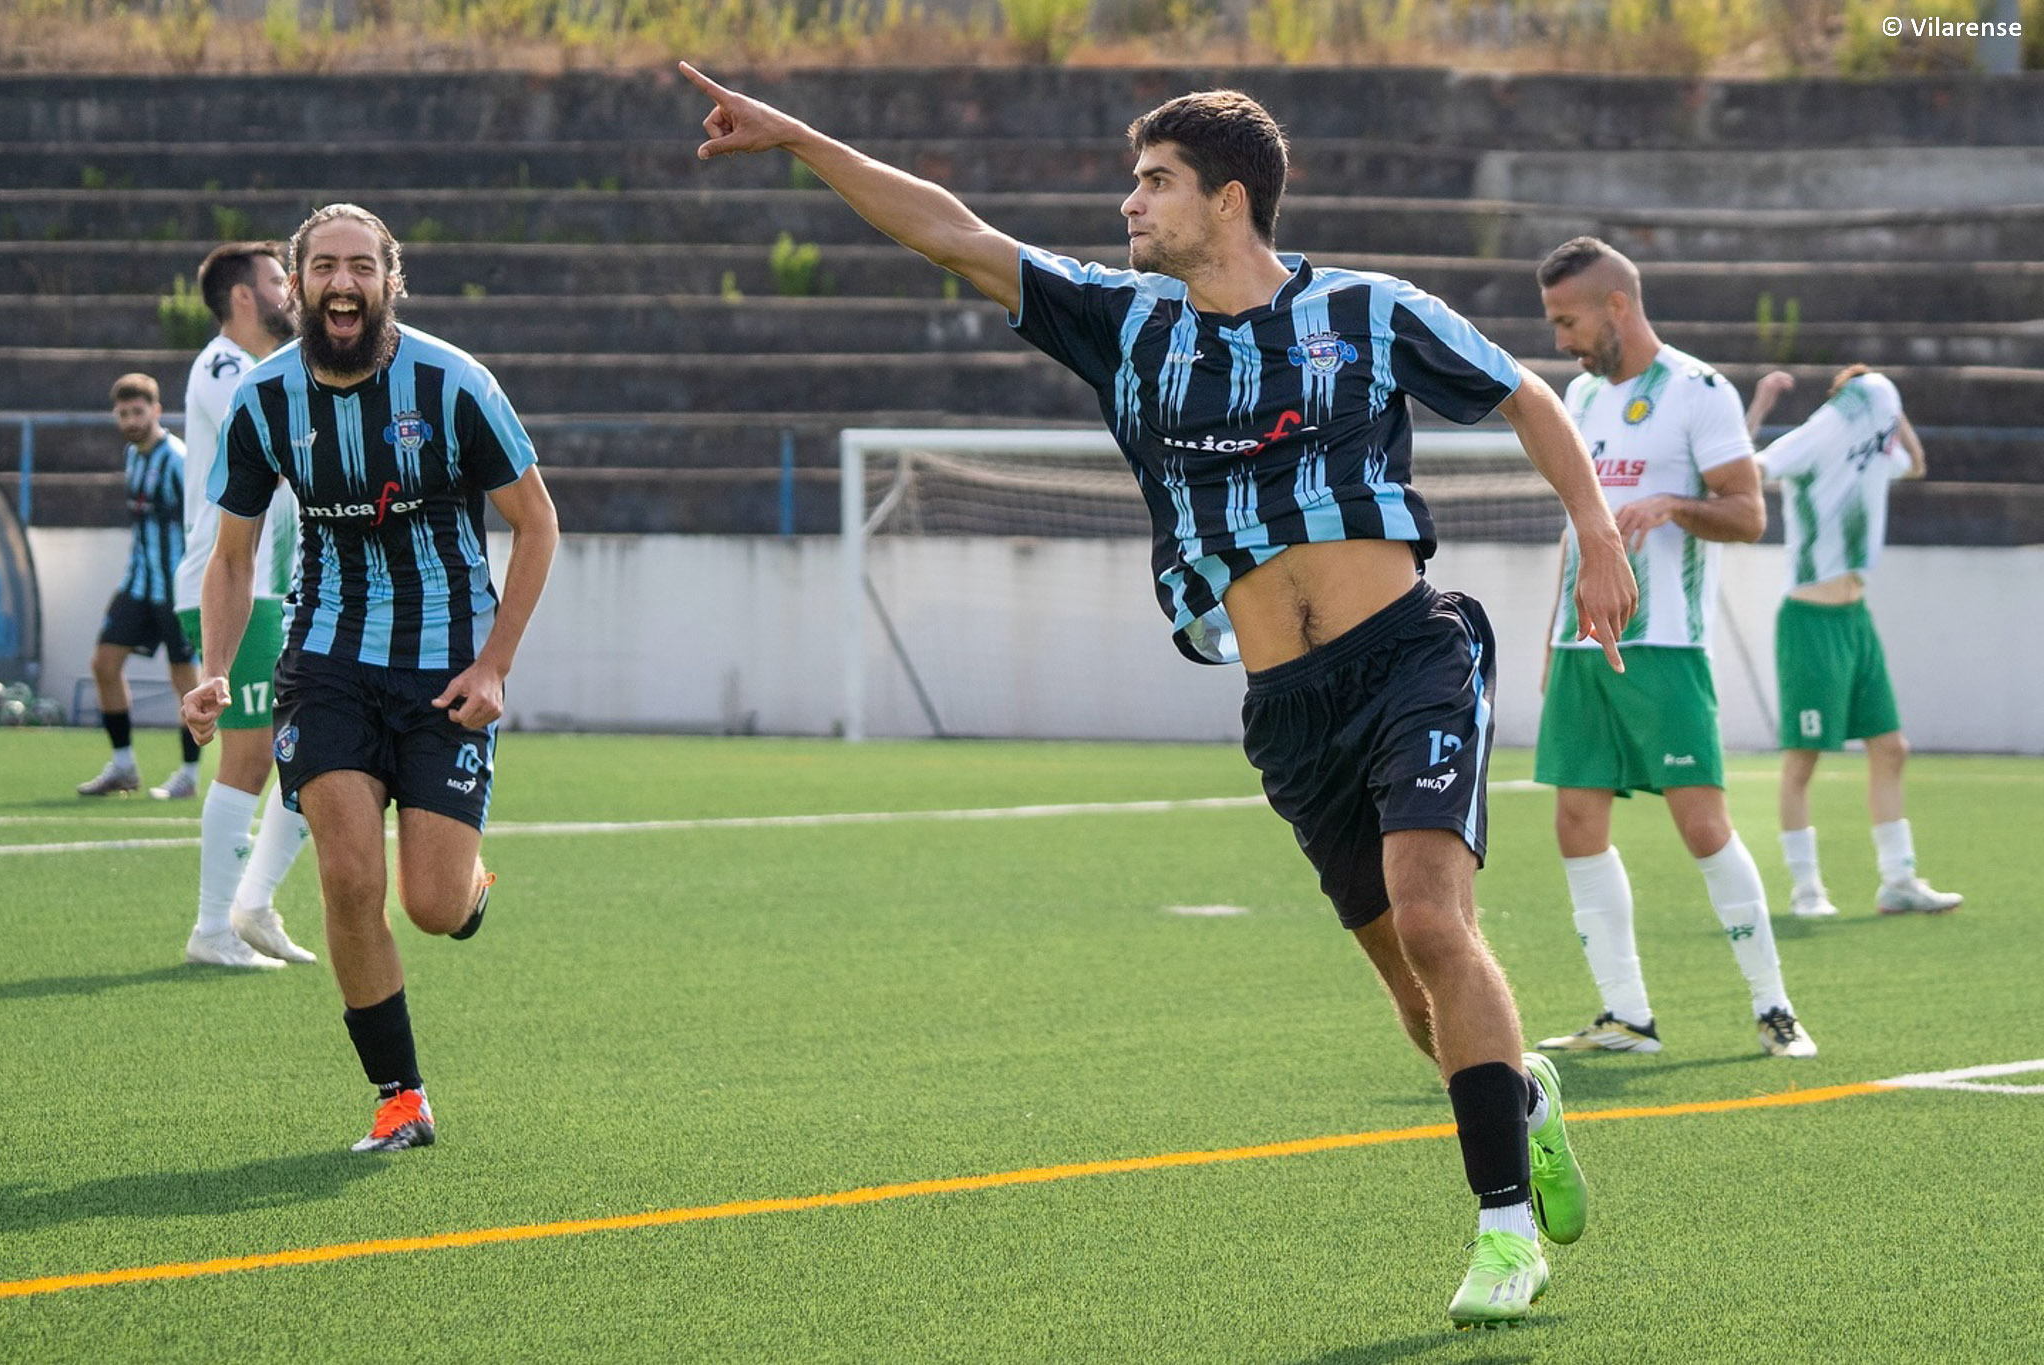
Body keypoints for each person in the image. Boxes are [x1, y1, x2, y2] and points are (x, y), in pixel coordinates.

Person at [681, 67, 1637, 1328]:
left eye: (1152, 182)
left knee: (1431, 921)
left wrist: (1600, 536)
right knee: (1411, 997)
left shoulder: (1365, 308)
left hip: (1410, 652)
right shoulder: (1123, 323)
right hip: (1286, 706)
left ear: (1226, 199)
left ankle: (1503, 1229)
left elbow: (1524, 396)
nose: (1126, 202)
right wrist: (797, 137)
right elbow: (948, 229)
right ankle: (1516, 1094)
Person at [181, 203, 559, 1153]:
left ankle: (470, 882)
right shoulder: (261, 400)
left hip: (446, 668)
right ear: (298, 284)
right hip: (328, 663)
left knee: (431, 906)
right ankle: (400, 1098)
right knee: (350, 877)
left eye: (361, 267)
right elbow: (232, 556)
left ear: (392, 282)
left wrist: (496, 664)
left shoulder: (455, 383)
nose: (341, 283)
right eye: (323, 268)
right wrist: (215, 670)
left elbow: (538, 522)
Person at [1529, 237, 1816, 1062]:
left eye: (1568, 319)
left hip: (1664, 645)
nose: (1561, 340)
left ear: (1616, 305)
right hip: (1583, 646)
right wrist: (1553, 636)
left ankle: (1773, 1008)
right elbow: (1572, 530)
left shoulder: (1700, 393)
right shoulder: (1576, 398)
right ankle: (1627, 1015)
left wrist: (1669, 503)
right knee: (1576, 820)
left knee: (1702, 823)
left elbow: (1749, 513)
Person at [1743, 366, 1962, 918]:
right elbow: (1743, 473)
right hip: (1809, 621)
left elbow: (1915, 463)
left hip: (1855, 617)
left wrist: (1893, 412)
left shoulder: (1866, 454)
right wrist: (1762, 407)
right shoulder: (1813, 442)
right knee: (1804, 759)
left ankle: (1899, 880)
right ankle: (1807, 890)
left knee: (1891, 749)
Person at [174, 240, 319, 970]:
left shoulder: (267, 368)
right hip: (231, 580)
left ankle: (253, 904)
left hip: (275, 581)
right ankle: (213, 925)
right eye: (274, 280)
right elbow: (279, 430)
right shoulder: (226, 368)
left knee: (309, 744)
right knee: (254, 750)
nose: (289, 292)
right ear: (241, 297)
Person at [77, 374, 203, 799]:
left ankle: (188, 773)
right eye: (124, 413)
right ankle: (124, 766)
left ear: (156, 410)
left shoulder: (178, 460)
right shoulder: (133, 455)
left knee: (185, 679)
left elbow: (201, 521)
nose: (131, 420)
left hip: (176, 588)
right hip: (138, 583)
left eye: (139, 411)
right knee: (104, 663)